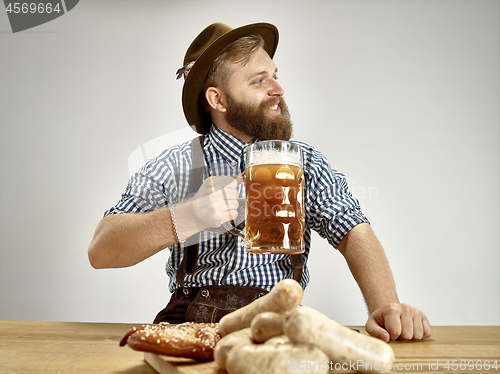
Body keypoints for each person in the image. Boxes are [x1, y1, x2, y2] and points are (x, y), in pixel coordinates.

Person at [88, 22, 432, 342]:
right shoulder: (175, 166)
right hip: (191, 328)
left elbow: (354, 231)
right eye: (259, 80)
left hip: (280, 327)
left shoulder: (305, 162)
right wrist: (190, 216)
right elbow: (101, 250)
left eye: (275, 76)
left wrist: (386, 307)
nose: (279, 89)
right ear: (217, 100)